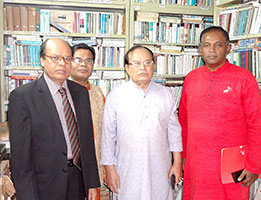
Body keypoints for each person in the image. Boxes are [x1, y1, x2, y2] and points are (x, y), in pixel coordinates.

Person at [178, 26, 261, 199]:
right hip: (197, 163)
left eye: (218, 45)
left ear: (228, 48)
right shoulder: (191, 79)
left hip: (232, 165)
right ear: (200, 49)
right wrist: (182, 157)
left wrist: (254, 166)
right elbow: (183, 121)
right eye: (207, 45)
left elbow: (256, 125)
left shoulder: (244, 79)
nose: (212, 50)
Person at [8, 38, 100, 200]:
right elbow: (20, 158)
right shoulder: (22, 97)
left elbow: (87, 141)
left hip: (78, 180)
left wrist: (92, 182)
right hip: (43, 186)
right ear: (42, 60)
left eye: (67, 58)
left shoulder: (80, 92)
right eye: (55, 58)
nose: (62, 63)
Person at [101, 45, 183, 199]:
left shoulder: (165, 94)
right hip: (126, 167)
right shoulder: (116, 95)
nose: (142, 68)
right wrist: (109, 169)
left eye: (147, 63)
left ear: (153, 66)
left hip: (159, 166)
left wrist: (177, 163)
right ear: (127, 68)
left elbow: (174, 133)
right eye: (136, 63)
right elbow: (108, 136)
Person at [70, 43, 108, 199]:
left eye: (89, 60)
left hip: (94, 165)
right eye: (78, 59)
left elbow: (106, 131)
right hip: (68, 169)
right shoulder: (61, 92)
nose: (84, 64)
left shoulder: (97, 93)